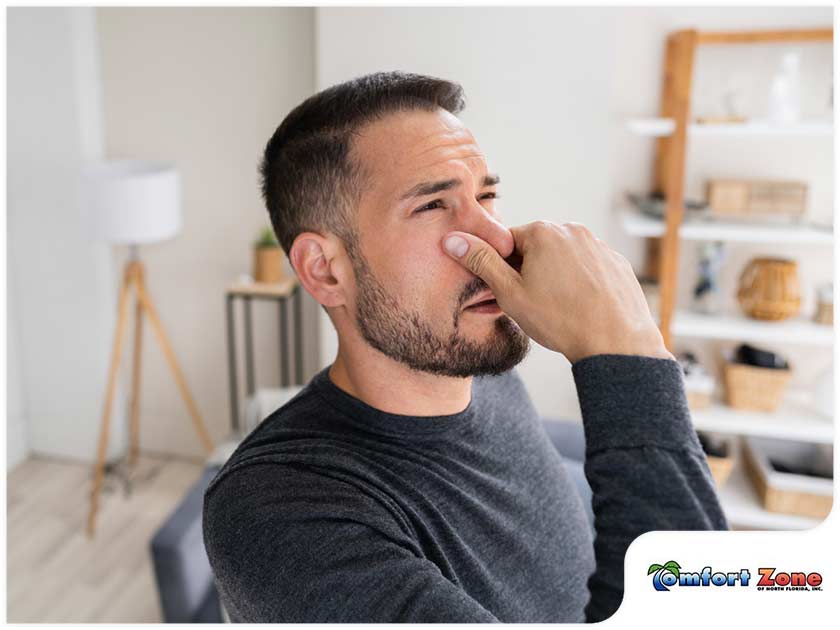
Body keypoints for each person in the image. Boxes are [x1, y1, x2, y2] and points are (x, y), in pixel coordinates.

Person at [202, 70, 728, 623]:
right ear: (325, 270)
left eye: (487, 195)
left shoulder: (486, 371)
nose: (496, 239)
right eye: (433, 206)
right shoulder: (279, 513)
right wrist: (625, 355)